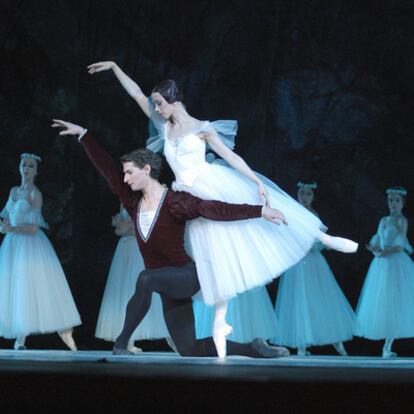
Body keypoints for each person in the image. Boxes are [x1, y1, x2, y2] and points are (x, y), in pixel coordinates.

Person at [86, 61, 358, 358]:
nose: (157, 109)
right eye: (156, 105)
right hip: (185, 194)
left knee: (246, 223)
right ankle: (221, 323)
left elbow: (231, 156)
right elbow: (138, 95)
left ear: (175, 101)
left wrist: (256, 181)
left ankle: (322, 236)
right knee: (208, 254)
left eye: (161, 104)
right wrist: (115, 68)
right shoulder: (165, 127)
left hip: (208, 185)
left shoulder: (202, 129)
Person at [51, 119, 290, 359]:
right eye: (125, 174)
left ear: (146, 170)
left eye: (130, 172)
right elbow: (109, 171)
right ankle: (254, 348)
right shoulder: (133, 203)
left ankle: (121, 343)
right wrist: (84, 136)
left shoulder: (176, 202)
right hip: (166, 285)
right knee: (190, 350)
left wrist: (259, 211)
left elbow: (216, 209)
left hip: (186, 276)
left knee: (145, 278)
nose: (125, 179)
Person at [0, 153, 81, 350]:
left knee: (34, 287)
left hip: (31, 245)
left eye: (30, 166)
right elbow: (6, 216)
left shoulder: (35, 194)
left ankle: (63, 333)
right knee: (15, 288)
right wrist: (5, 227)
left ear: (36, 171)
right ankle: (20, 336)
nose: (26, 169)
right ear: (20, 167)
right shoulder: (13, 191)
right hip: (13, 244)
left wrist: (11, 229)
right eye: (24, 165)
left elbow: (34, 227)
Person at [272, 181, 355, 356]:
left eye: (308, 194)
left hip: (314, 263)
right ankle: (302, 346)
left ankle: (338, 345)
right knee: (300, 299)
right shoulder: (294, 213)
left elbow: (319, 239)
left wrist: (322, 245)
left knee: (322, 300)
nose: (305, 197)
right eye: (302, 193)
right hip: (299, 263)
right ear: (297, 194)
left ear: (313, 196)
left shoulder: (314, 214)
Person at [95, 205, 171, 352]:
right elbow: (119, 231)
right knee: (123, 289)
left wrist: (128, 228)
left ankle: (135, 338)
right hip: (124, 248)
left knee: (135, 287)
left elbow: (146, 229)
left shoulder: (142, 200)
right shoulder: (123, 201)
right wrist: (121, 226)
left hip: (138, 249)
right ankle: (128, 340)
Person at [355, 186, 414, 358]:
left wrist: (386, 251)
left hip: (396, 264)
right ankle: (386, 347)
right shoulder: (383, 220)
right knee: (383, 302)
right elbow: (378, 238)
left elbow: (401, 243)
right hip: (381, 265)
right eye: (391, 201)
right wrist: (374, 249)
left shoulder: (402, 221)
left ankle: (388, 346)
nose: (393, 204)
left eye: (397, 201)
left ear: (402, 203)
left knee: (396, 302)